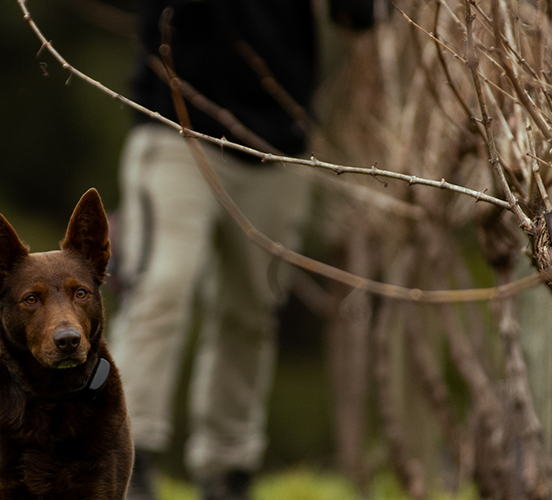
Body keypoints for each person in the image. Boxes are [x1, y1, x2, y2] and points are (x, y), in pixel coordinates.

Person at [107, 1, 373, 499]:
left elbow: (357, 16)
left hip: (276, 143)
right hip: (174, 125)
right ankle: (127, 463)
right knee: (161, 287)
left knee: (252, 310)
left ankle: (229, 471)